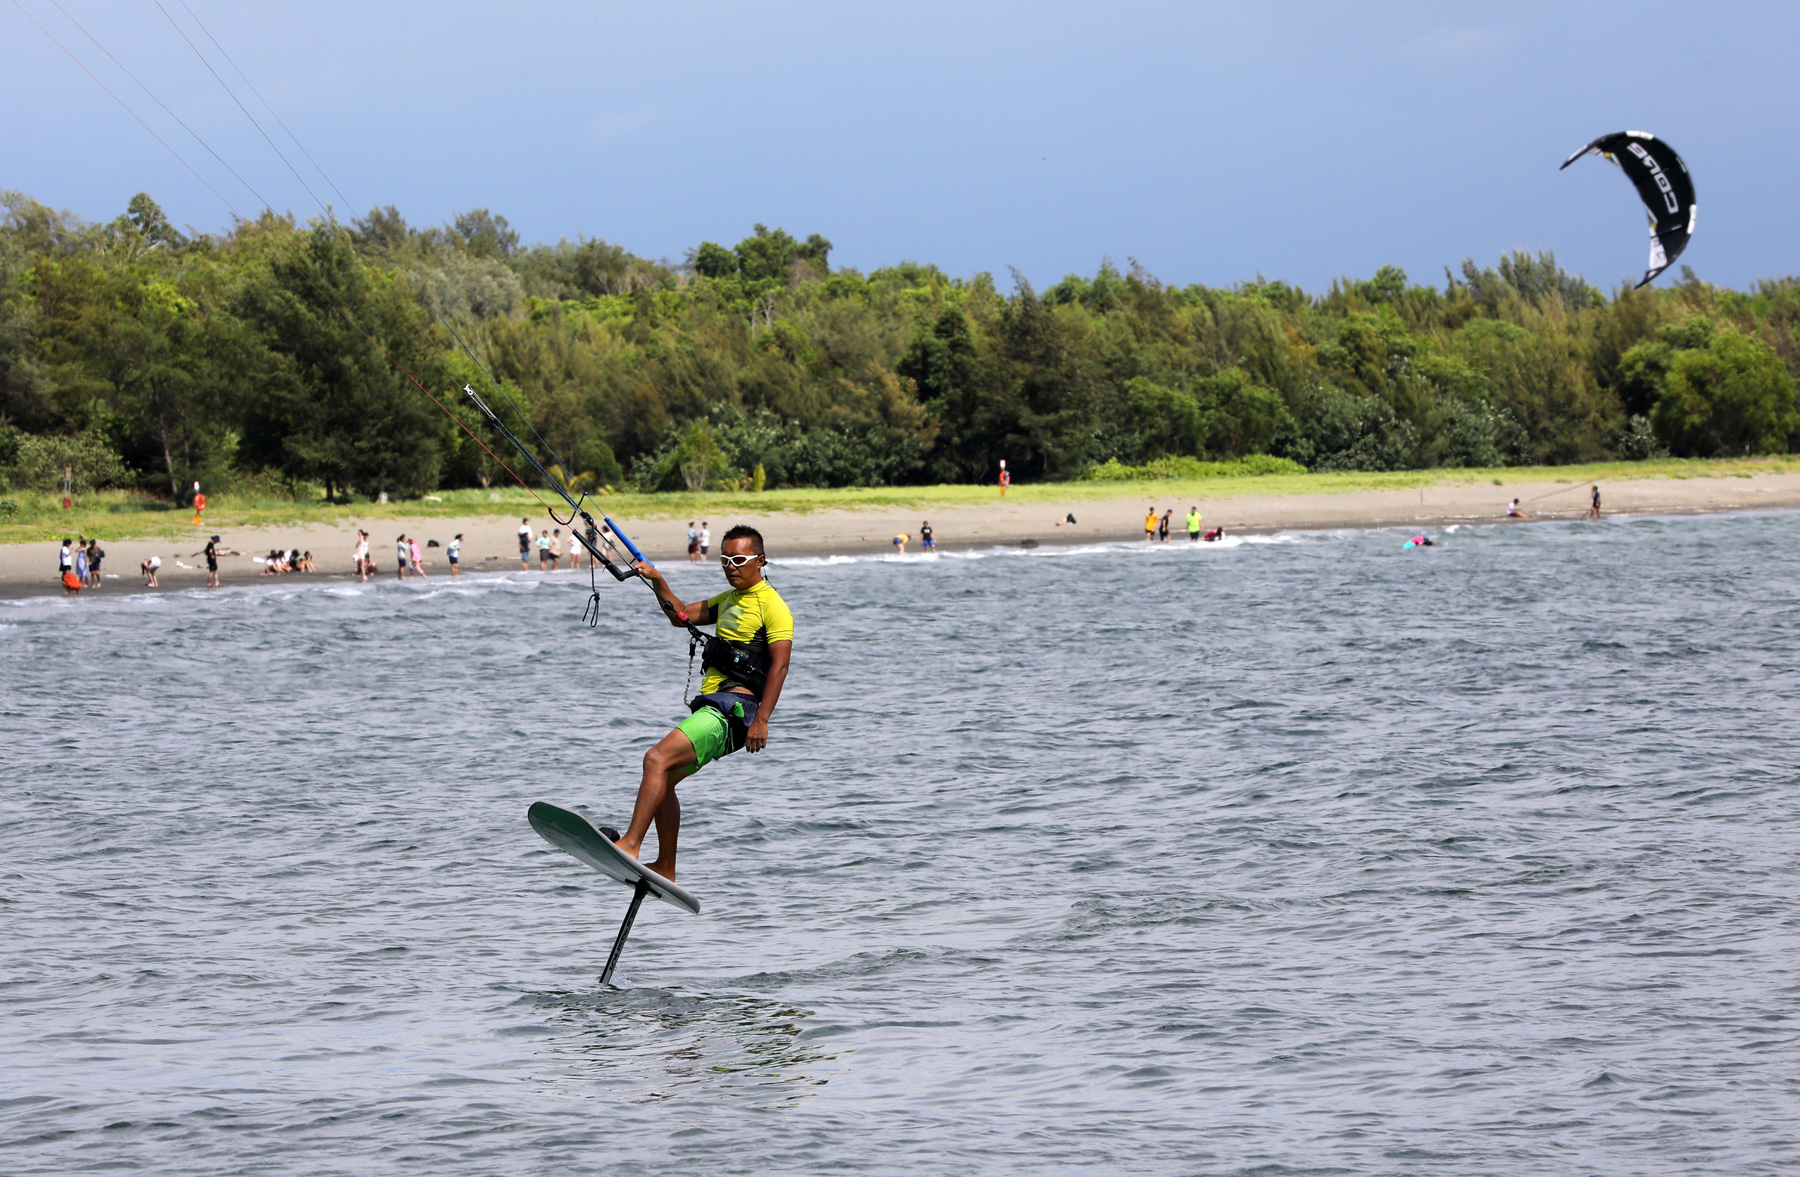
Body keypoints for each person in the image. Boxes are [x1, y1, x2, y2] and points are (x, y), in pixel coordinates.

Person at [616, 525, 794, 880]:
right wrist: (657, 579)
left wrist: (763, 720)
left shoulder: (773, 607)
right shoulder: (726, 601)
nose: (731, 567)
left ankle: (630, 844)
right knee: (662, 778)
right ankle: (666, 866)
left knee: (655, 758)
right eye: (725, 560)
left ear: (760, 560)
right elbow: (679, 615)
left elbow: (780, 665)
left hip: (734, 711)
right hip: (715, 707)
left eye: (739, 560)